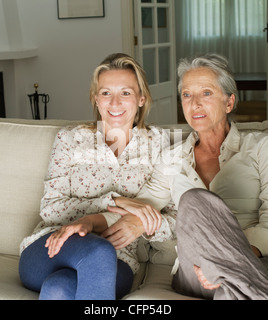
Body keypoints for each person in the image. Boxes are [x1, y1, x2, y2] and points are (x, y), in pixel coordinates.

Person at [108, 53, 268, 300]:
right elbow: (144, 205)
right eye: (187, 95)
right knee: (194, 201)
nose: (194, 103)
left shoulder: (262, 146)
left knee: (227, 290)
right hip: (196, 268)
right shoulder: (171, 158)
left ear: (229, 103)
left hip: (263, 257)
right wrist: (116, 205)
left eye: (206, 93)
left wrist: (233, 258)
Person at [18, 53, 170, 300]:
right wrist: (116, 201)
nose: (115, 102)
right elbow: (50, 210)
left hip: (120, 257)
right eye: (106, 93)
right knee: (98, 251)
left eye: (126, 93)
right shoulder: (70, 139)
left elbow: (173, 217)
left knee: (60, 289)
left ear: (142, 99)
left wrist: (141, 222)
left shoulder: (159, 144)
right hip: (54, 245)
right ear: (95, 99)